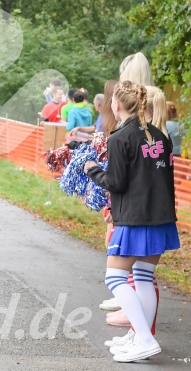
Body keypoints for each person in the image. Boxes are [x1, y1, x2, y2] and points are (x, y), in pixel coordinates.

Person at [85, 81, 179, 362]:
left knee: (114, 277)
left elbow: (116, 182)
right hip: (161, 217)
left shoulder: (120, 138)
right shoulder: (160, 135)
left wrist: (93, 170)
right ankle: (140, 337)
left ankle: (145, 339)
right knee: (143, 278)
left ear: (116, 104)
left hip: (136, 218)